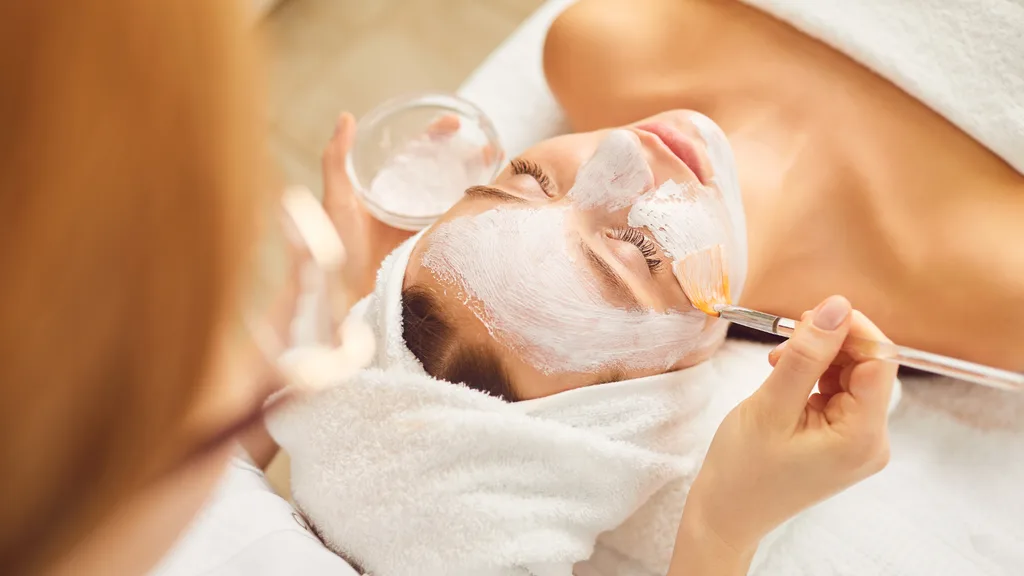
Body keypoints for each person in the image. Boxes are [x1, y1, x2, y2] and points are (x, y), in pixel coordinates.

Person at [0, 2, 897, 576]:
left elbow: (190, 459)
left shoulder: (601, 46)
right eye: (636, 256)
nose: (622, 155)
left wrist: (354, 298)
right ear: (671, 395)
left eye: (523, 181)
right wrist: (720, 530)